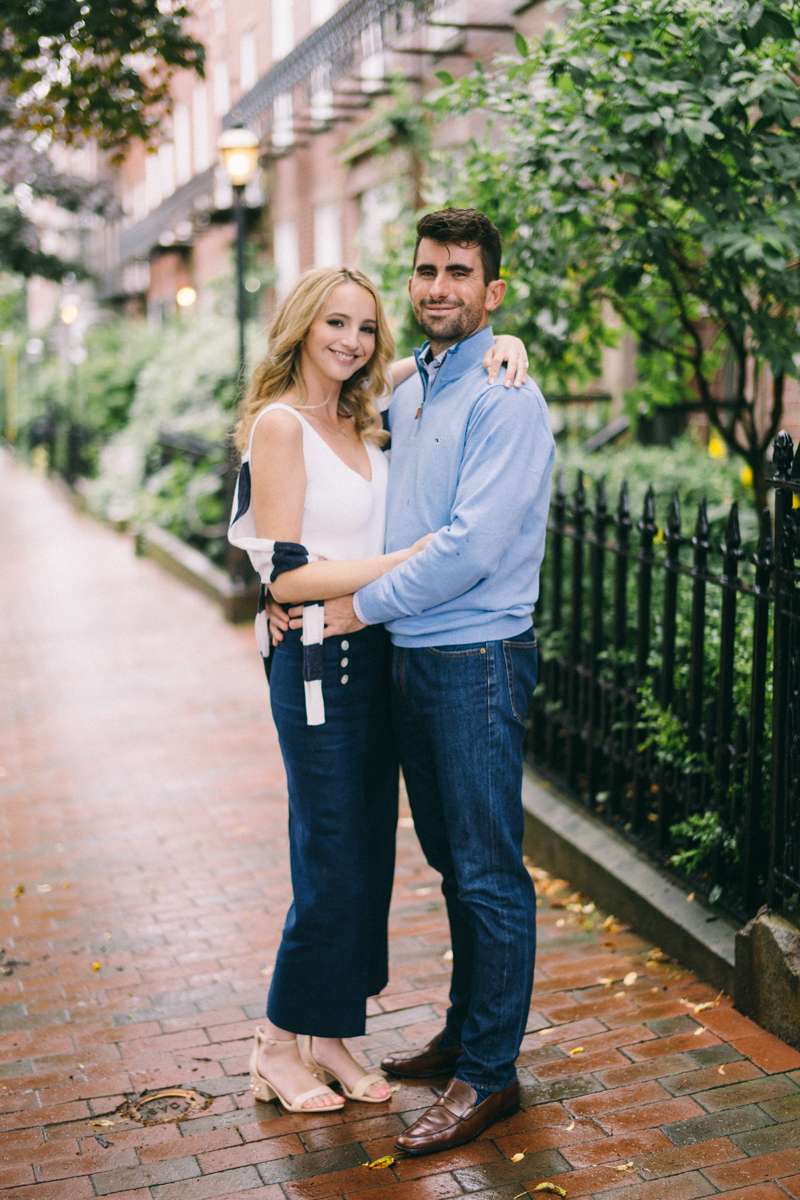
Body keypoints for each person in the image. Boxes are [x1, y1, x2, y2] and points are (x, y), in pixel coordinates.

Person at [270, 209, 554, 1151]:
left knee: (486, 871)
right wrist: (277, 593)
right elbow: (311, 484)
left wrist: (365, 607)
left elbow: (472, 547)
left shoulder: (506, 398)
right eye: (427, 271)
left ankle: (489, 1073)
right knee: (450, 861)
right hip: (414, 663)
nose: (439, 287)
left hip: (475, 658)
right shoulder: (417, 385)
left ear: (492, 290)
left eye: (461, 274)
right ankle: (465, 1034)